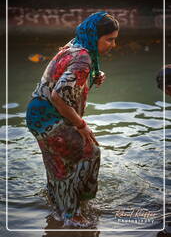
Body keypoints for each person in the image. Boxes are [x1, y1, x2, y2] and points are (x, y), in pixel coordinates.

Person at [26, 12, 119, 227]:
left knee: (59, 162)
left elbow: (67, 76)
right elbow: (58, 97)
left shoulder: (76, 44)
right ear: (95, 36)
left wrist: (94, 75)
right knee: (89, 151)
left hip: (38, 114)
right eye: (110, 39)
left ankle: (57, 201)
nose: (113, 44)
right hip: (48, 117)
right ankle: (72, 214)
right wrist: (81, 125)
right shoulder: (83, 58)